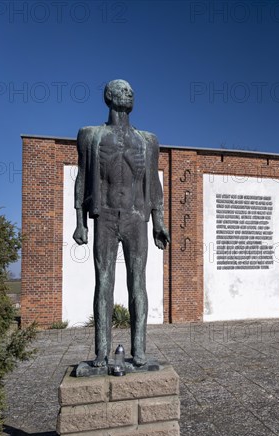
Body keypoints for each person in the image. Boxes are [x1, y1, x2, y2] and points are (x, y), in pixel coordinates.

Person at [73, 79, 170, 367]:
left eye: (131, 90)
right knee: (103, 282)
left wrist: (158, 221)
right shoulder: (90, 135)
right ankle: (101, 354)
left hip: (135, 218)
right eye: (122, 90)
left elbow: (153, 183)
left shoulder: (147, 140)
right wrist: (81, 222)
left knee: (137, 283)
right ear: (108, 97)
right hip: (104, 217)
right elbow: (82, 177)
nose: (128, 93)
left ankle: (138, 351)